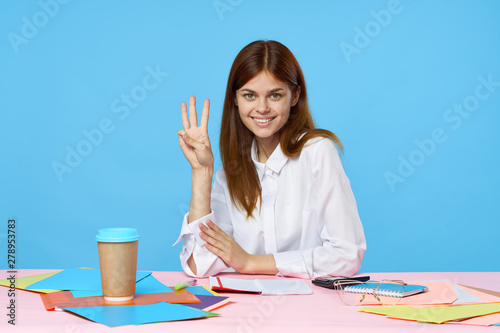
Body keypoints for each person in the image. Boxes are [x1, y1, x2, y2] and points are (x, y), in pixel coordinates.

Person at [173, 40, 366, 279]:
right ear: (235, 99)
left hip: (311, 307)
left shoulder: (317, 152)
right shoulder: (230, 173)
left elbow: (347, 254)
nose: (262, 108)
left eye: (275, 95)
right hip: (248, 311)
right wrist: (202, 172)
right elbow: (199, 265)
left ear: (294, 96)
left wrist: (251, 263)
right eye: (249, 95)